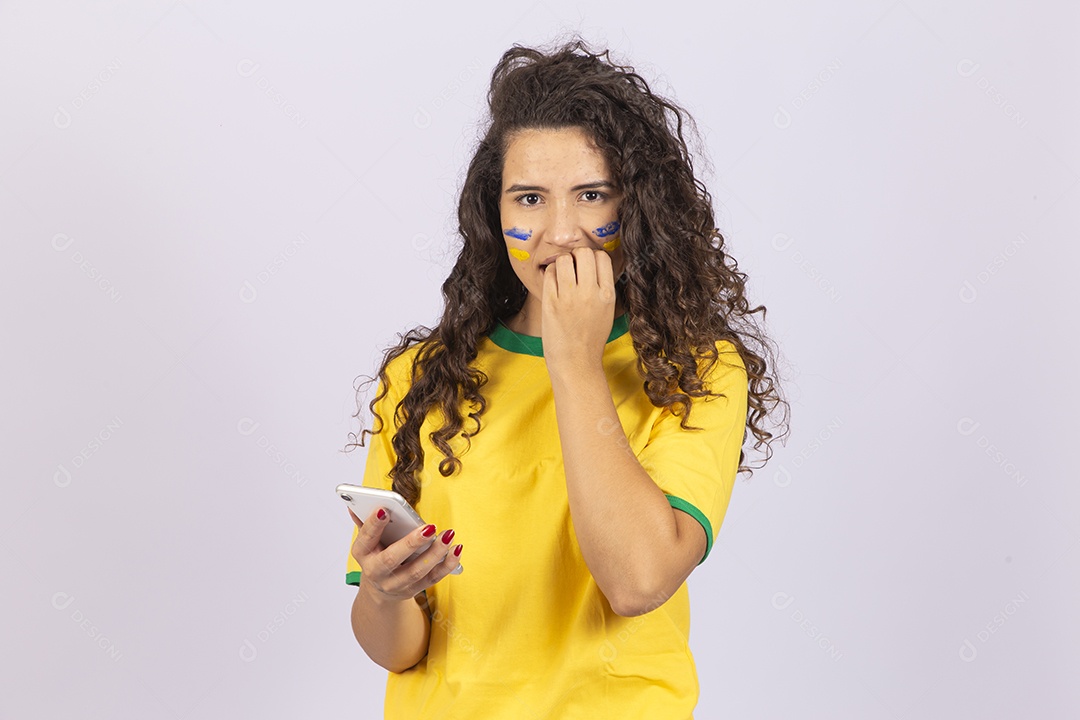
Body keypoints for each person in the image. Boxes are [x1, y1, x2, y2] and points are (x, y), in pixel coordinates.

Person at [342, 35, 789, 719]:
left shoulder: (695, 370)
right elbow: (400, 650)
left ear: (635, 207)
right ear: (495, 213)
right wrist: (383, 594)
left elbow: (638, 581)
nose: (559, 232)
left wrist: (575, 360)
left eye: (591, 194)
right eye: (529, 199)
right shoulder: (422, 378)